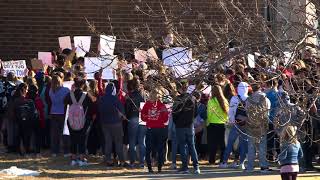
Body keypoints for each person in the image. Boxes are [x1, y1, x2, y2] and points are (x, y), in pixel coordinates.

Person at [172, 80, 200, 174]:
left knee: (183, 146)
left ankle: (185, 167)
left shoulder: (178, 99)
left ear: (180, 89)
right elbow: (196, 112)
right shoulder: (193, 98)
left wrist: (177, 122)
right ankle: (196, 167)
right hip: (189, 125)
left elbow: (174, 113)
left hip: (180, 126)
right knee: (192, 146)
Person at [220, 82, 249, 169]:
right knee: (243, 144)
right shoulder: (249, 99)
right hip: (245, 125)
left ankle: (224, 162)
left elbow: (231, 111)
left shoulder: (234, 98)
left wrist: (232, 121)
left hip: (236, 124)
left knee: (230, 143)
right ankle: (241, 163)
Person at [98, 82, 127, 167]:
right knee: (118, 142)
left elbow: (99, 110)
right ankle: (121, 161)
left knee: (108, 142)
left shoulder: (102, 99)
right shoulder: (116, 99)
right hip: (116, 123)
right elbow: (122, 112)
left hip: (105, 124)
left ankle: (109, 160)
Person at [141, 88, 169, 173]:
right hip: (160, 129)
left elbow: (143, 117)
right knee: (160, 149)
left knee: (148, 149)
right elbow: (165, 119)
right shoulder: (162, 106)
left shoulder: (147, 105)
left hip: (150, 129)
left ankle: (150, 168)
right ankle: (159, 168)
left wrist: (149, 118)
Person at [245, 83, 271, 172]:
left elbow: (247, 112)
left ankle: (250, 167)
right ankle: (263, 166)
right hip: (262, 126)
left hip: (251, 125)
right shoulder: (266, 99)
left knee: (251, 146)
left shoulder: (248, 100)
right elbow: (267, 114)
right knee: (262, 146)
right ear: (260, 89)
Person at [125, 78, 147, 168]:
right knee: (142, 141)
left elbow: (127, 110)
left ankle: (132, 162)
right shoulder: (144, 94)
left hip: (133, 118)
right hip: (142, 118)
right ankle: (142, 162)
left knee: (132, 141)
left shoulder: (130, 96)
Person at [49, 73, 70, 156]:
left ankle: (55, 151)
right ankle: (66, 151)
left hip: (53, 112)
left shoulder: (51, 91)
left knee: (55, 134)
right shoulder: (65, 90)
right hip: (62, 113)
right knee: (64, 133)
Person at [207, 85, 229, 165]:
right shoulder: (225, 101)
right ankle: (222, 160)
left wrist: (208, 122)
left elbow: (209, 114)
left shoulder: (211, 101)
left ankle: (211, 160)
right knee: (222, 143)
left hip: (212, 124)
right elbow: (227, 114)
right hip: (222, 124)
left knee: (213, 143)